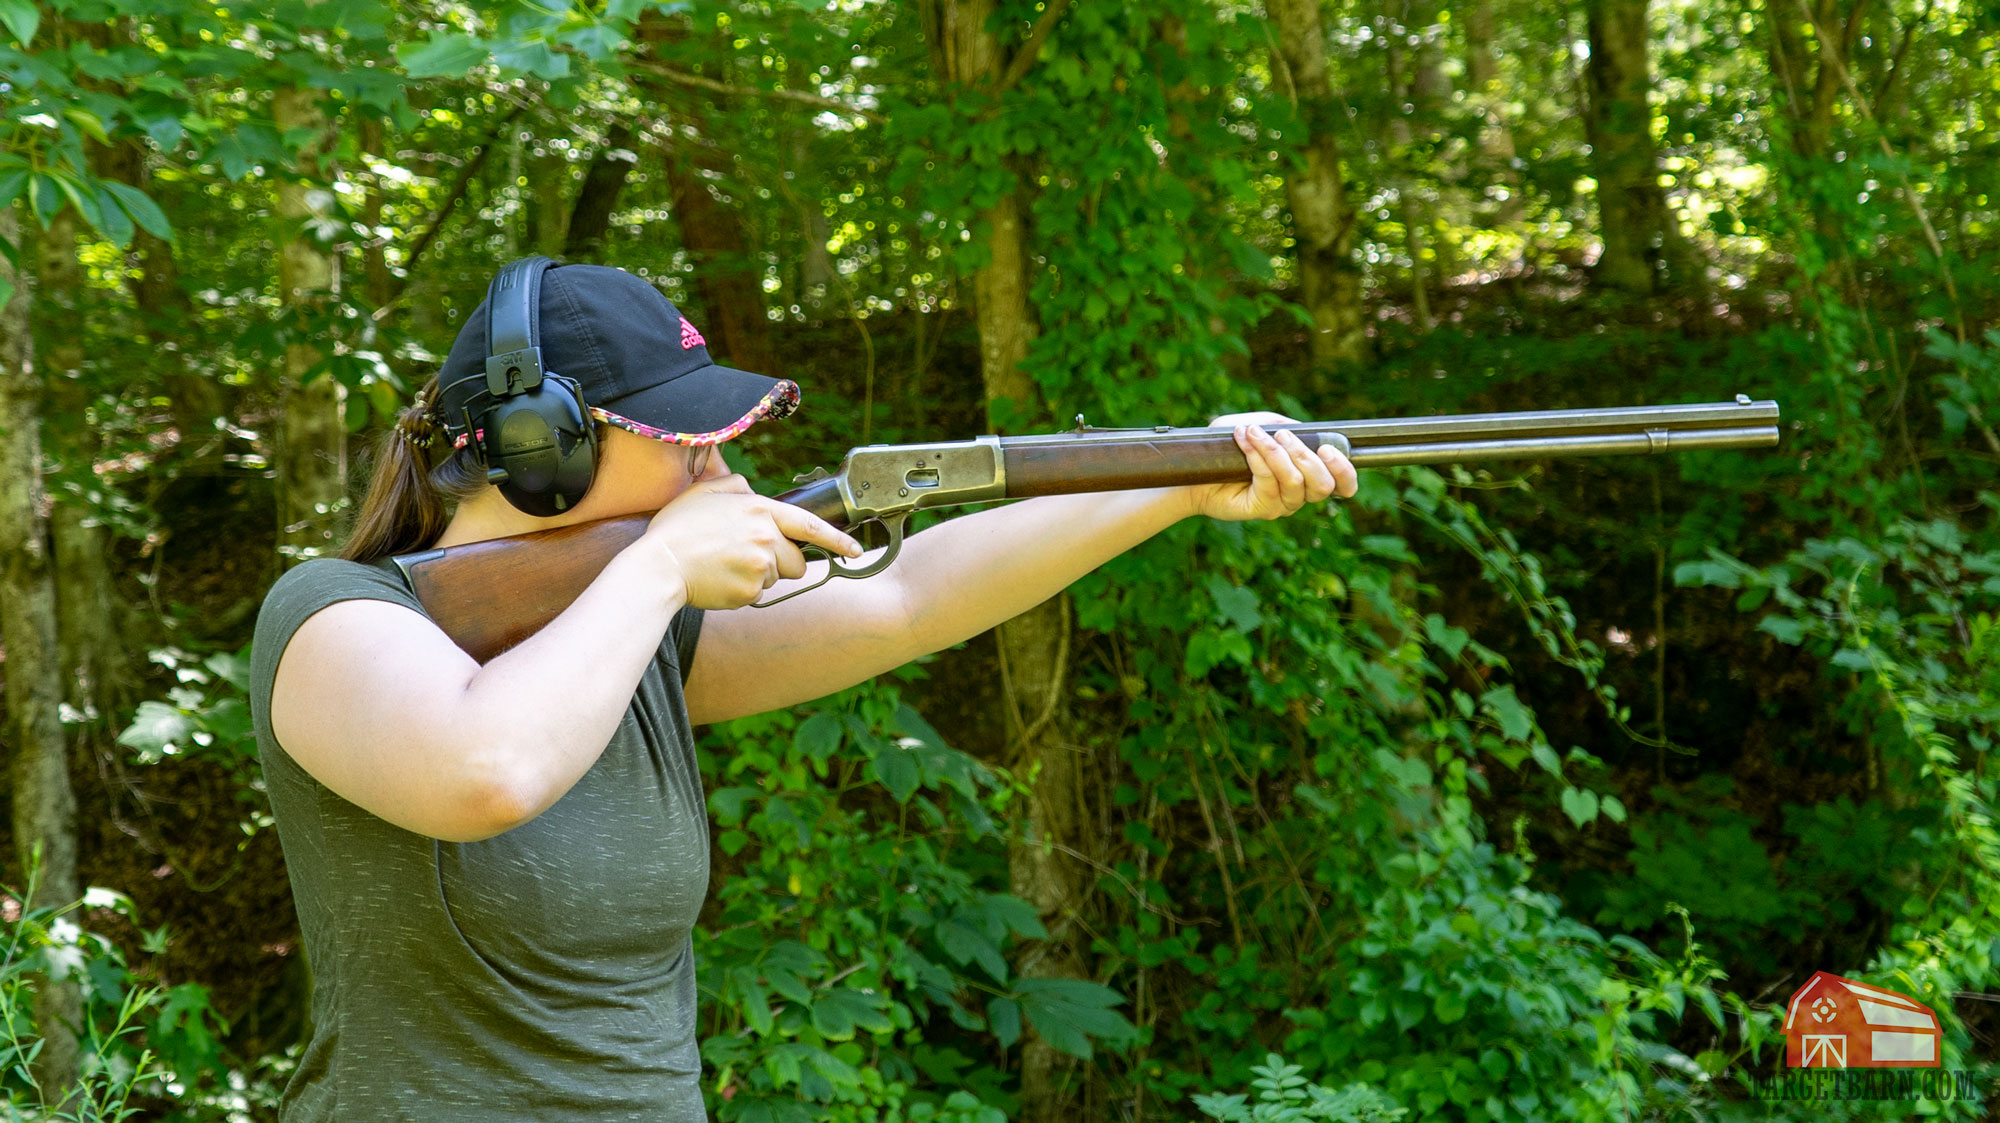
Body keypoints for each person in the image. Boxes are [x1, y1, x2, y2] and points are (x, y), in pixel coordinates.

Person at [247, 259, 1357, 1122]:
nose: (723, 474)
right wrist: (656, 568)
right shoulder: (333, 616)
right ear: (541, 449)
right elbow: (483, 770)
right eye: (689, 444)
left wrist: (1186, 477)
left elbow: (909, 595)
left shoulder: (633, 635)